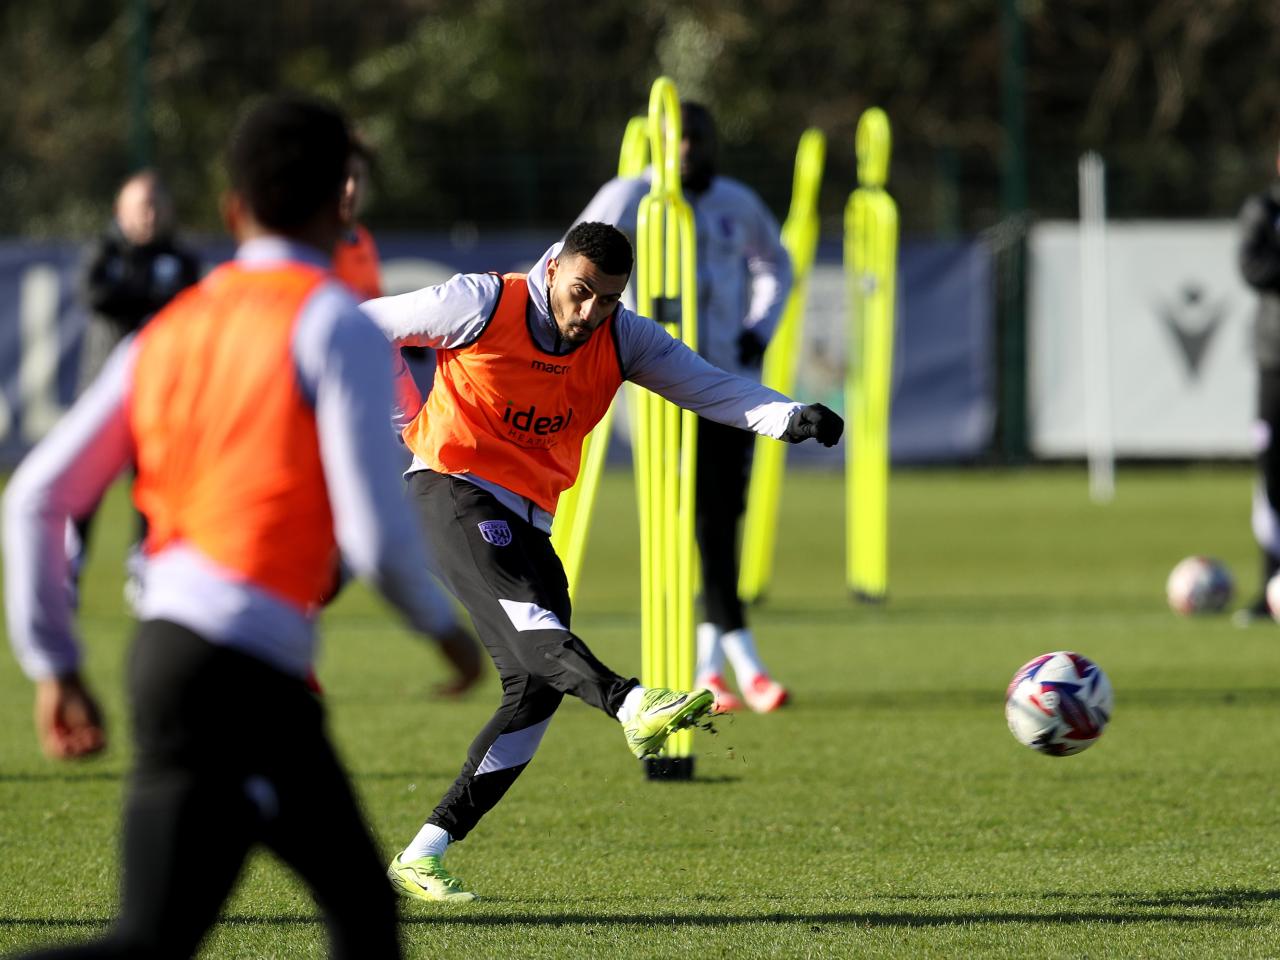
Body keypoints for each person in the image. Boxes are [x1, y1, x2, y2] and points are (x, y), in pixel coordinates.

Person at [3, 94, 482, 959]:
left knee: (154, 939)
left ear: (232, 209)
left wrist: (54, 664)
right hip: (249, 670)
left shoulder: (168, 328)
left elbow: (36, 497)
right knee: (365, 924)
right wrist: (444, 631)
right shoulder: (332, 321)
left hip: (166, 657)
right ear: (342, 204)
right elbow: (373, 534)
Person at [362, 220, 841, 903]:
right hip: (448, 486)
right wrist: (401, 419)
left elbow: (703, 384)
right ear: (552, 269)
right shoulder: (479, 302)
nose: (589, 314)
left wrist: (787, 415)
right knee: (537, 630)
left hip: (530, 518)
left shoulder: (623, 336)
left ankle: (423, 852)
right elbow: (359, 326)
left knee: (536, 685)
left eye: (607, 300)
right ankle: (631, 701)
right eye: (581, 292)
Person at [575, 101, 795, 714]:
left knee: (721, 519)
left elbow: (776, 264)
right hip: (666, 387)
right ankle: (743, 663)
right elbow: (569, 258)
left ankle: (710, 668)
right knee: (697, 522)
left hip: (730, 386)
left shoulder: (735, 201)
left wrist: (761, 325)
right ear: (658, 141)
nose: (690, 148)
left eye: (699, 136)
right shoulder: (630, 196)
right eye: (679, 137)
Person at [72, 171, 202, 601]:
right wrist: (149, 296)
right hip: (100, 395)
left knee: (153, 486)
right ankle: (69, 568)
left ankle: (147, 566)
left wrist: (137, 295)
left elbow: (191, 308)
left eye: (155, 206)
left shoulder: (179, 259)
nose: (148, 216)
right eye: (139, 207)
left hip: (160, 397)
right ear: (119, 211)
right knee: (83, 486)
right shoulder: (104, 252)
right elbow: (95, 296)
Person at [1236, 141, 1280, 625]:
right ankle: (1271, 587)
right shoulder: (1265, 209)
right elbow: (1252, 266)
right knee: (1273, 475)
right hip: (1277, 360)